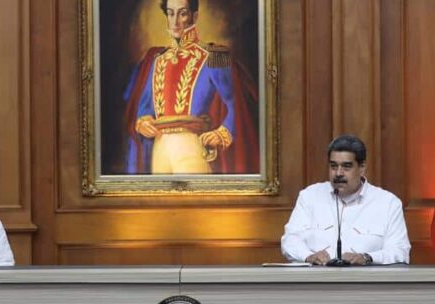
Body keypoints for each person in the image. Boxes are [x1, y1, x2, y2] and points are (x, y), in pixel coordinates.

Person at [123, 0, 259, 174]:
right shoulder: (156, 60)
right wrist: (142, 122)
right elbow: (144, 108)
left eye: (182, 13)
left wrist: (221, 133)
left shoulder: (214, 56)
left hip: (191, 146)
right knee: (159, 200)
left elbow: (236, 105)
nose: (175, 21)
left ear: (194, 17)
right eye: (171, 13)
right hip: (159, 146)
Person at [281, 135, 411, 265]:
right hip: (316, 281)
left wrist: (367, 258)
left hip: (365, 282)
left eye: (346, 167)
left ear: (362, 168)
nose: (338, 173)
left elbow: (400, 252)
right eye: (333, 166)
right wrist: (308, 256)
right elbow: (290, 240)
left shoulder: (388, 203)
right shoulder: (309, 197)